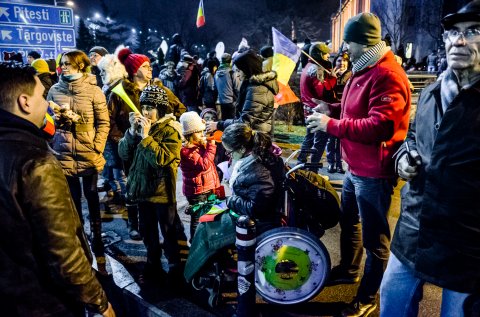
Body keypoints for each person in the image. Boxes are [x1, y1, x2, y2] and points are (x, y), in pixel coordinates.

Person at [306, 12, 411, 317]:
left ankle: (367, 297)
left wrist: (331, 125)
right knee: (348, 220)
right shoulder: (363, 67)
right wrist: (333, 108)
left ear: (363, 42)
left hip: (374, 172)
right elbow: (355, 108)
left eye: (348, 43)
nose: (344, 49)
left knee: (375, 239)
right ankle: (349, 270)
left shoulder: (387, 74)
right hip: (355, 166)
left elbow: (380, 127)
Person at [380, 1, 480, 316]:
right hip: (414, 227)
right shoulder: (431, 93)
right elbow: (411, 139)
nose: (459, 41)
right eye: (453, 32)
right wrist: (403, 159)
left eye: (473, 32)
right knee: (392, 302)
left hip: (467, 242)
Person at [0, 63, 116, 317]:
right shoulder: (36, 163)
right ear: (24, 102)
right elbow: (63, 251)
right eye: (42, 96)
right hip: (43, 301)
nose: (48, 104)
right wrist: (99, 302)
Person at [118, 85, 188, 283]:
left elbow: (163, 159)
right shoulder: (139, 129)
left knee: (168, 231)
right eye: (144, 106)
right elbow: (124, 153)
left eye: (151, 107)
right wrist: (131, 133)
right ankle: (153, 262)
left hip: (162, 193)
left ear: (161, 109)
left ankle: (175, 265)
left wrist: (147, 137)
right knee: (147, 231)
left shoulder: (171, 130)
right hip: (142, 191)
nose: (146, 111)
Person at [114, 47, 185, 240]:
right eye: (145, 66)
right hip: (136, 156)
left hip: (160, 187)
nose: (150, 69)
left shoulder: (160, 92)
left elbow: (179, 109)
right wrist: (129, 133)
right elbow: (112, 124)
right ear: (133, 70)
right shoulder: (120, 91)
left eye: (150, 65)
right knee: (146, 224)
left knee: (167, 225)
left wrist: (171, 123)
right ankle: (137, 229)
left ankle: (173, 256)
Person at [47, 50, 110, 259]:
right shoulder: (55, 90)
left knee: (92, 196)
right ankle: (80, 238)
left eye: (68, 63)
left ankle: (97, 236)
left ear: (80, 65)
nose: (63, 66)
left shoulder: (94, 91)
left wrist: (97, 147)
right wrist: (57, 122)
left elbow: (103, 123)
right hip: (63, 152)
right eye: (62, 63)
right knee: (72, 200)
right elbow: (46, 121)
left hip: (88, 152)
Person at [222, 123, 284, 233]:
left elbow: (256, 208)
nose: (228, 155)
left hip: (260, 225)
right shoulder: (259, 157)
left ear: (241, 149)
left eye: (229, 151)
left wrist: (231, 200)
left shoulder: (258, 171)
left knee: (207, 232)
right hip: (258, 219)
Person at [206, 50, 278, 135]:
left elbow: (245, 123)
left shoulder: (258, 89)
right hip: (253, 137)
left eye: (239, 70)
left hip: (256, 140)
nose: (237, 74)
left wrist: (219, 125)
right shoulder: (252, 86)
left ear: (247, 70)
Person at [179, 111, 220, 240]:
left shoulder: (198, 145)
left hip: (208, 187)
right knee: (197, 219)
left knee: (210, 214)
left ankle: (207, 239)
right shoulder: (186, 152)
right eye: (199, 132)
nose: (202, 134)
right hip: (197, 192)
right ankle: (195, 242)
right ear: (190, 134)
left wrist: (207, 139)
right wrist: (211, 146)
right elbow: (205, 164)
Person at [97, 54, 129, 207]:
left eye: (103, 70)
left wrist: (115, 136)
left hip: (117, 138)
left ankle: (126, 199)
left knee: (119, 171)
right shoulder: (109, 87)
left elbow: (119, 117)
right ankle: (120, 195)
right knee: (113, 169)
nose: (100, 74)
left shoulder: (119, 88)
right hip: (111, 137)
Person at [297, 42, 336, 168]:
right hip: (317, 111)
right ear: (319, 54)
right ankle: (312, 169)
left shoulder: (308, 66)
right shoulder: (316, 69)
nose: (328, 57)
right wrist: (332, 79)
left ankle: (300, 164)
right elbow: (322, 93)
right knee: (319, 142)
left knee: (309, 139)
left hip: (308, 110)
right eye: (326, 54)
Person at [326, 52, 352, 174]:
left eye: (344, 61)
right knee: (331, 140)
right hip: (332, 111)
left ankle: (342, 164)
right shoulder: (331, 75)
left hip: (345, 111)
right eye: (339, 61)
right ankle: (331, 163)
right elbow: (327, 92)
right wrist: (331, 79)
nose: (341, 63)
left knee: (343, 140)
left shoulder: (351, 74)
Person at [214, 53, 241, 120]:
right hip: (232, 102)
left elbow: (215, 88)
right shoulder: (231, 73)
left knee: (224, 121)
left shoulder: (216, 74)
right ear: (230, 61)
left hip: (221, 102)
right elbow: (237, 88)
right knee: (232, 123)